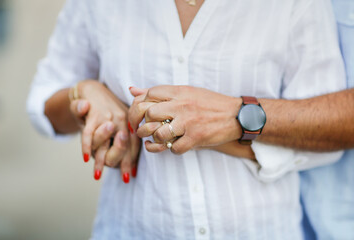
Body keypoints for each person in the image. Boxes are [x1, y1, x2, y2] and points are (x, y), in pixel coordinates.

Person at [27, 0, 346, 239]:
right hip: (128, 229)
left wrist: (233, 118)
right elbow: (43, 103)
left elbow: (329, 133)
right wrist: (85, 93)